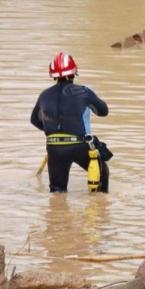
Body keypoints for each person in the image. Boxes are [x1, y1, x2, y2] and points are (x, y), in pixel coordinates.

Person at [30, 52, 109, 193]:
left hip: (54, 148)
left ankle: (58, 212)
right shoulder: (84, 92)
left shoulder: (44, 95)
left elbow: (34, 120)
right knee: (102, 173)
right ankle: (99, 208)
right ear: (74, 72)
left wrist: (53, 131)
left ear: (53, 75)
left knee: (57, 192)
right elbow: (103, 111)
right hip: (80, 146)